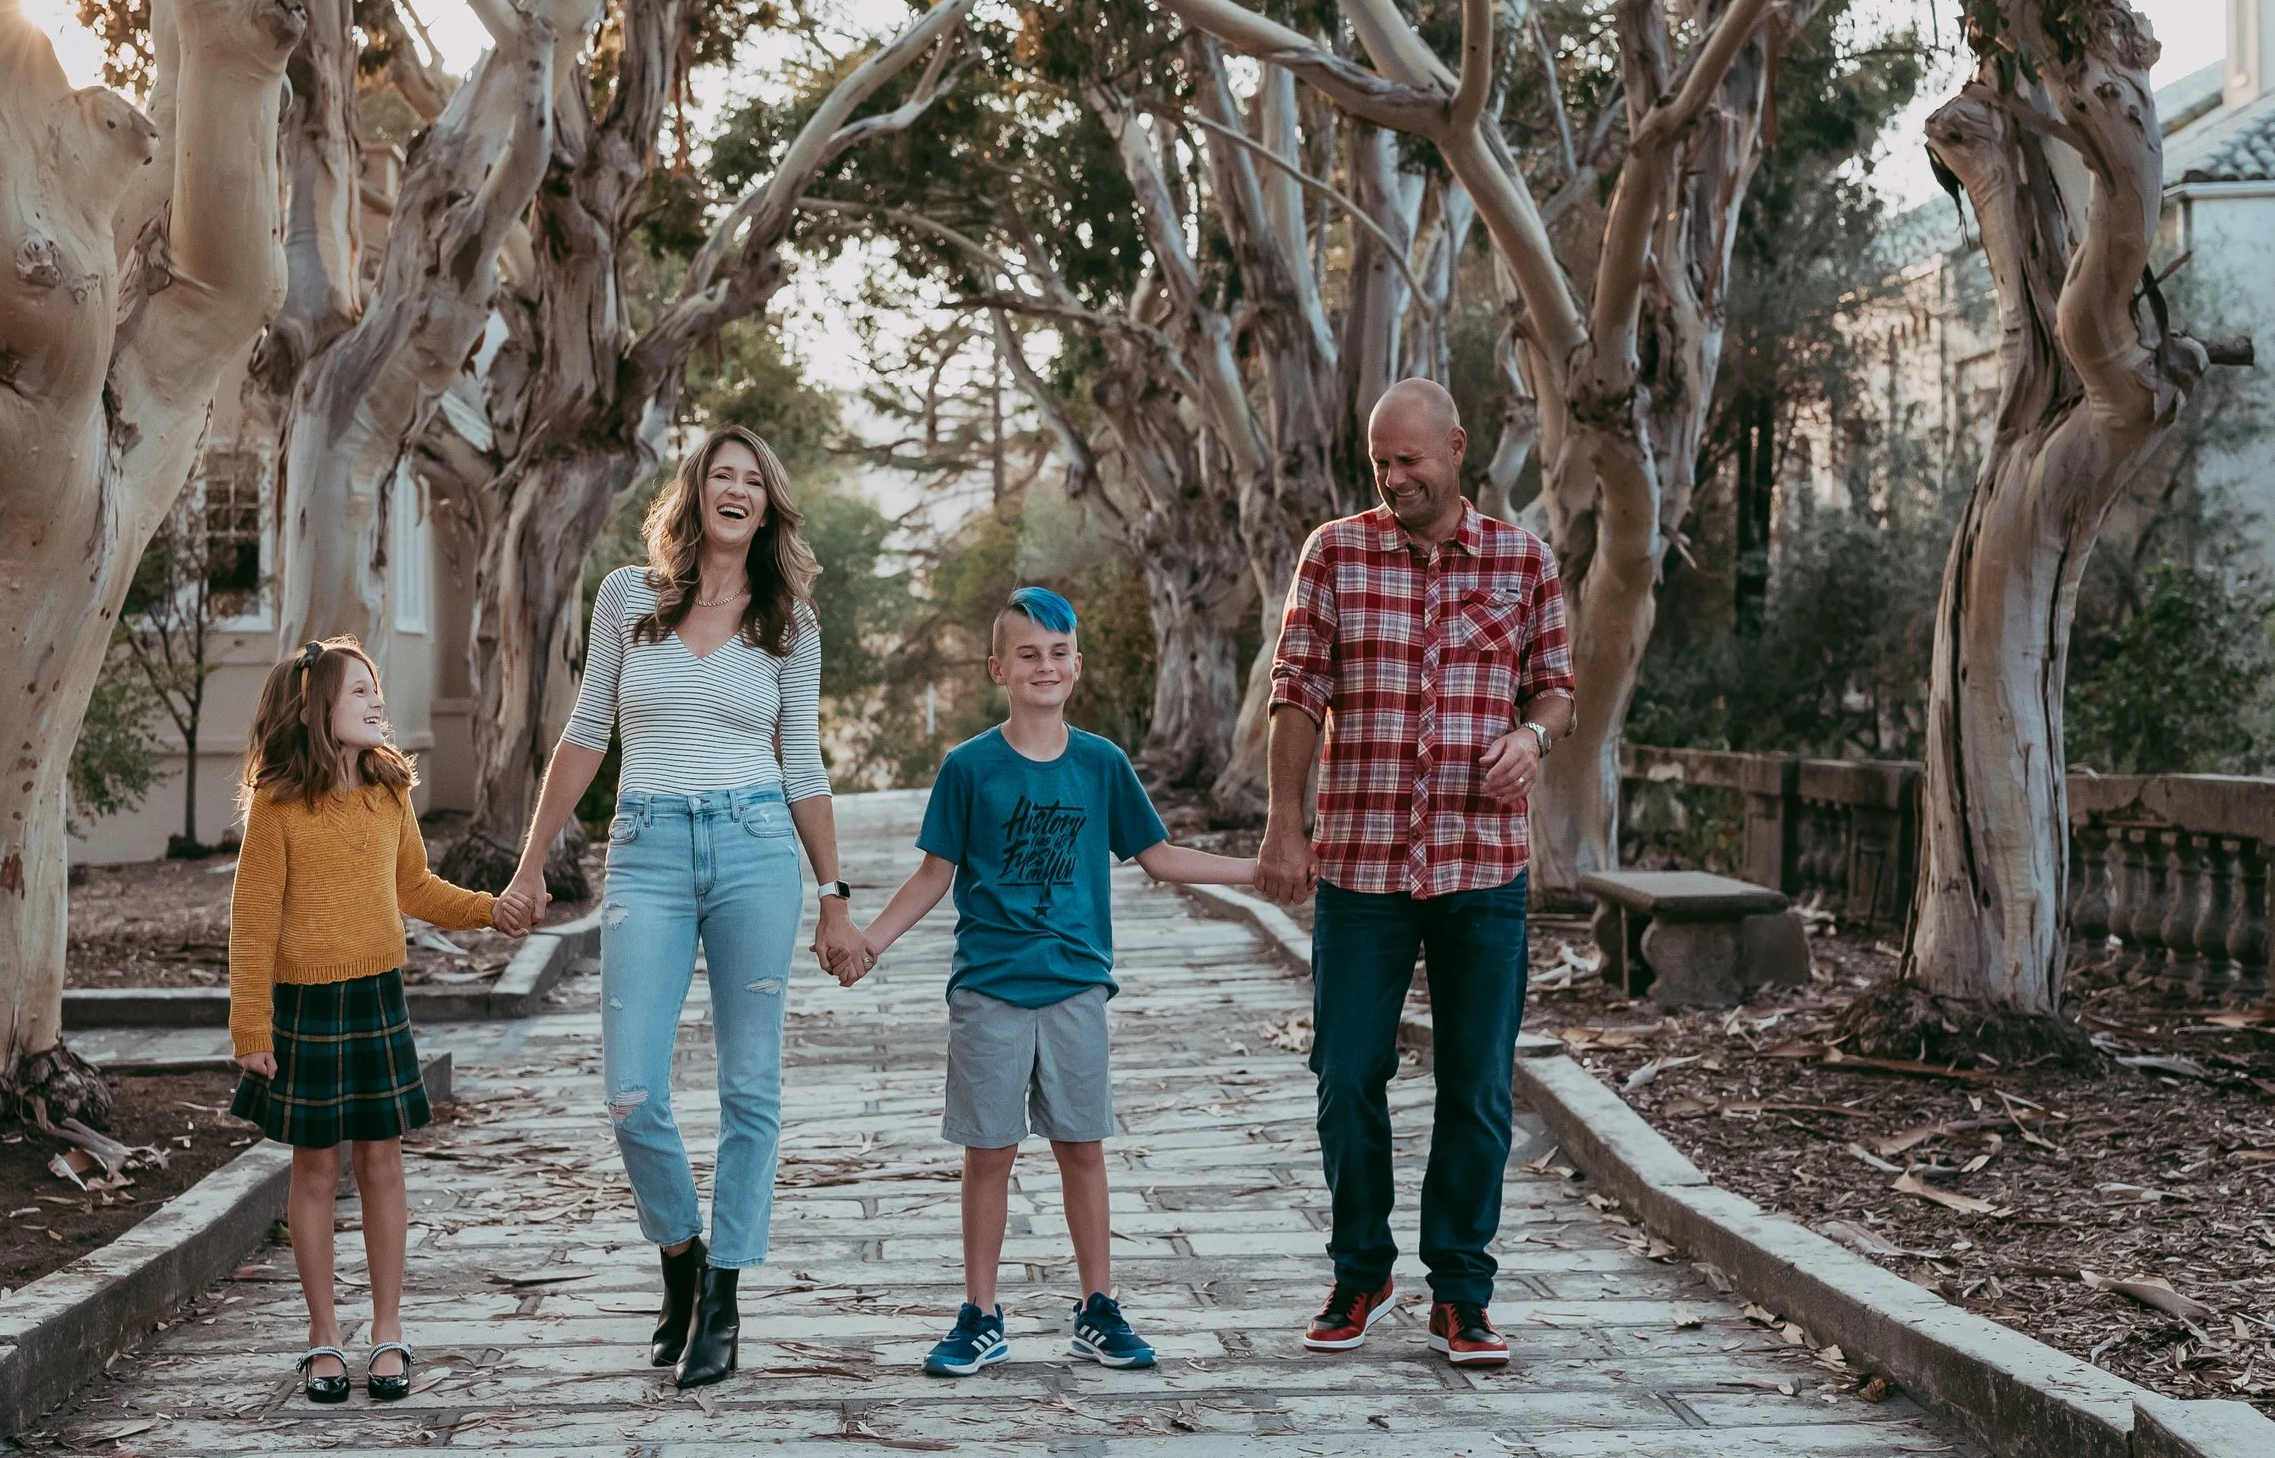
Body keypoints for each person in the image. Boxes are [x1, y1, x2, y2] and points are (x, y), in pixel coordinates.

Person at [490, 426, 868, 1390]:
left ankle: (726, 1299)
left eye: (753, 480)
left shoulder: (791, 623)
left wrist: (833, 899)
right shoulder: (629, 598)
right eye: (721, 476)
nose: (735, 490)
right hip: (648, 845)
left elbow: (806, 764)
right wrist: (531, 868)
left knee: (750, 1090)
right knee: (631, 1093)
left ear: (768, 504)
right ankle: (681, 1257)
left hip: (753, 852)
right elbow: (584, 733)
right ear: (695, 493)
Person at [836, 586, 1261, 1378]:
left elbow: (1160, 858)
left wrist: (1257, 870)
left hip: (1075, 988)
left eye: (1058, 653)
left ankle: (1098, 1308)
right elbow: (934, 875)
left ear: (1077, 667)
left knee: (1081, 1146)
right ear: (1000, 667)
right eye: (1028, 653)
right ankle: (981, 1314)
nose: (1045, 665)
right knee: (989, 1153)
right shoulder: (969, 768)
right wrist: (870, 943)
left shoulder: (1102, 766)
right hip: (989, 990)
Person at [1259, 378, 1575, 1366]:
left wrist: (1530, 735)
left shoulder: (1524, 558)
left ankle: (1460, 1290)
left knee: (1476, 1085)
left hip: (1481, 864)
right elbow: (1298, 687)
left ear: (1457, 445)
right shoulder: (1336, 551)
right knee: (1346, 1071)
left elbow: (1555, 687)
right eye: (1380, 463)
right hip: (1360, 861)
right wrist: (1283, 824)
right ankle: (1360, 1270)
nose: (1394, 478)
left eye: (1410, 460)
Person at [228, 636, 512, 1406]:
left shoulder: (390, 791)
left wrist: (490, 909)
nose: (375, 701)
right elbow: (252, 924)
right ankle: (324, 1339)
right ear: (318, 707)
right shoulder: (279, 806)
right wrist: (251, 1029)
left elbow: (415, 886)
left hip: (378, 997)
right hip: (306, 1006)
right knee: (316, 1170)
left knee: (382, 1163)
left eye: (375, 688)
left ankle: (387, 1333)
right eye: (359, 691)